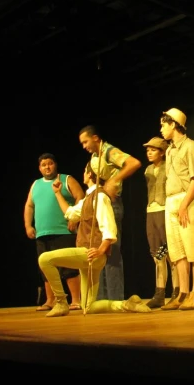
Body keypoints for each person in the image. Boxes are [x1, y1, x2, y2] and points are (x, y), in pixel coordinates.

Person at [38, 162, 151, 317]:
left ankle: (61, 301)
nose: (83, 173)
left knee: (45, 259)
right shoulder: (89, 198)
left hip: (90, 253)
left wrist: (101, 249)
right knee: (88, 306)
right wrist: (58, 193)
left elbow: (109, 228)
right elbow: (71, 214)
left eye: (85, 170)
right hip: (92, 255)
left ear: (90, 174)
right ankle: (126, 304)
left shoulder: (100, 197)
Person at [78, 125, 142, 301]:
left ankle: (114, 300)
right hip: (99, 205)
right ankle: (98, 301)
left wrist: (114, 180)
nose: (84, 146)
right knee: (97, 253)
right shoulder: (94, 157)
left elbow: (134, 163)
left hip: (111, 205)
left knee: (111, 252)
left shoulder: (108, 151)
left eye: (85, 141)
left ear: (96, 138)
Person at [158, 108, 194, 311]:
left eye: (163, 124)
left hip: (188, 200)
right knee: (177, 253)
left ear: (173, 124)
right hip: (171, 202)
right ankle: (182, 294)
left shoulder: (192, 147)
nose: (161, 129)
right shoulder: (169, 150)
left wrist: (184, 204)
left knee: (193, 249)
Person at [24, 153, 84, 311]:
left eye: (50, 163)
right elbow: (29, 206)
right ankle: (51, 300)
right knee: (45, 268)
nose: (47, 167)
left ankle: (76, 300)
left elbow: (80, 197)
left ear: (55, 164)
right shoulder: (36, 184)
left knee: (69, 267)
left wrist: (74, 218)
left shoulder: (66, 179)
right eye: (44, 165)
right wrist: (28, 226)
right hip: (42, 233)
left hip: (64, 231)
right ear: (39, 168)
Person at [142, 136, 180, 308]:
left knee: (172, 253)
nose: (149, 152)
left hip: (166, 210)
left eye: (153, 149)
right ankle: (159, 293)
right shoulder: (148, 170)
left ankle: (178, 291)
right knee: (158, 255)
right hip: (152, 211)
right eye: (148, 150)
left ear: (162, 152)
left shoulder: (169, 168)